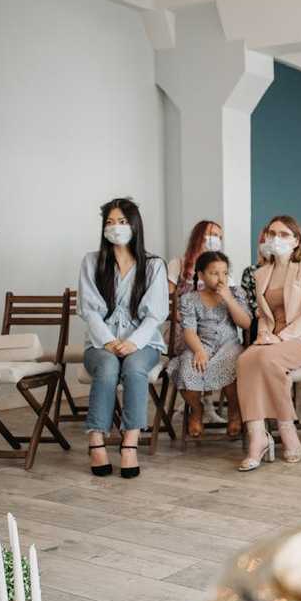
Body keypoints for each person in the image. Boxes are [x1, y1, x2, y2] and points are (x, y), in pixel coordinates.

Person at [236, 216, 301, 470]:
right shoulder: (261, 273)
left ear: (296, 241)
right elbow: (263, 315)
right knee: (246, 359)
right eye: (272, 234)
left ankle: (286, 429)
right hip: (274, 337)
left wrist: (279, 338)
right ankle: (257, 436)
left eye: (283, 234)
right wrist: (265, 335)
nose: (275, 239)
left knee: (267, 359)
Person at [78, 197, 168, 479]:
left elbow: (155, 315)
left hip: (143, 342)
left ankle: (130, 444)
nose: (115, 227)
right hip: (100, 342)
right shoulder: (92, 262)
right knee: (106, 367)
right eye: (109, 222)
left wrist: (133, 343)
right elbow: (89, 311)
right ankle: (97, 441)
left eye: (122, 221)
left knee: (134, 367)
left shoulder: (153, 266)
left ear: (135, 225)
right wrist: (108, 341)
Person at [168, 251, 252, 439]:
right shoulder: (190, 299)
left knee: (235, 365)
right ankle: (196, 410)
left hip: (229, 345)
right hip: (201, 343)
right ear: (201, 275)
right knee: (186, 367)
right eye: (214, 273)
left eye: (224, 273)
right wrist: (198, 350)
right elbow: (189, 330)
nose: (220, 278)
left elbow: (245, 323)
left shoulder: (236, 293)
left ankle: (234, 411)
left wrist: (229, 299)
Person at [168, 220, 225, 296]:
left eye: (220, 238)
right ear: (200, 236)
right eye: (214, 235)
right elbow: (169, 299)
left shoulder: (223, 268)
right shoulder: (177, 264)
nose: (218, 240)